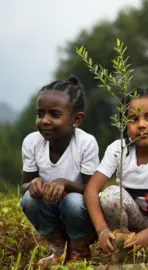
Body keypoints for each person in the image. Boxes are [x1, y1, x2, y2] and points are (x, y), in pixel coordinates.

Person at [83, 87, 148, 266]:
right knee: (110, 195)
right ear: (125, 123)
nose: (141, 125)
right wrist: (101, 230)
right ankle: (123, 250)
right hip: (132, 224)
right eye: (133, 119)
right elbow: (91, 190)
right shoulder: (118, 149)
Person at [20, 76, 99, 267]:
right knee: (29, 199)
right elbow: (24, 186)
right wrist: (33, 184)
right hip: (51, 213)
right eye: (40, 114)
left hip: (80, 214)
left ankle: (78, 249)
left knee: (72, 202)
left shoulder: (86, 144)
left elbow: (93, 190)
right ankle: (56, 247)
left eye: (54, 115)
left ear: (76, 119)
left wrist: (66, 184)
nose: (44, 121)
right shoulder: (32, 142)